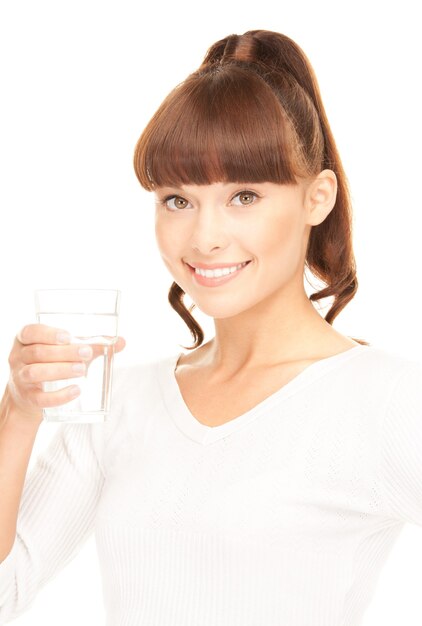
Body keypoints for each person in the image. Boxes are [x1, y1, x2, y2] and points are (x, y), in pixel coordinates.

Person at [1, 29, 421, 626]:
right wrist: (18, 412)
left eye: (245, 195)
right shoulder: (120, 399)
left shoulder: (387, 400)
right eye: (177, 199)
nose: (204, 238)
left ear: (317, 198)